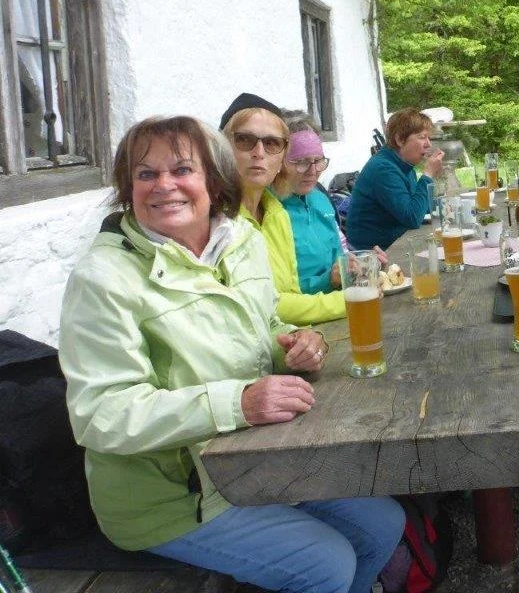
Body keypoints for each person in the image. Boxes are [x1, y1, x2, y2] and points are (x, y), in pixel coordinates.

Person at [59, 116, 404, 593]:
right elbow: (100, 415)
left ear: (214, 180)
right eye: (145, 174)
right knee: (326, 565)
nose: (164, 186)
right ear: (127, 188)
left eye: (182, 170)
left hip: (256, 459)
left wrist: (299, 345)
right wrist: (237, 402)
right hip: (175, 498)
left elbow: (265, 326)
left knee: (382, 522)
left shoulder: (238, 242)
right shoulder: (104, 278)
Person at [220, 93, 346, 324]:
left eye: (271, 143)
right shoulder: (218, 218)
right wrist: (350, 299)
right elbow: (269, 304)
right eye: (244, 140)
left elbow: (288, 292)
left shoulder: (275, 212)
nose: (259, 152)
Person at [274, 111, 386, 295]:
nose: (313, 171)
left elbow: (341, 258)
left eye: (318, 161)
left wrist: (363, 264)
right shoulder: (267, 210)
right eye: (301, 162)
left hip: (343, 303)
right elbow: (276, 295)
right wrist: (327, 280)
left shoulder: (320, 199)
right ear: (278, 161)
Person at [345, 108, 444, 250]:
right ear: (399, 140)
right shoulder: (383, 169)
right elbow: (413, 218)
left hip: (393, 243)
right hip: (369, 254)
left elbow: (420, 206)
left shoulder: (404, 164)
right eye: (422, 137)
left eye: (428, 138)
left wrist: (447, 205)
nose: (428, 144)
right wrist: (428, 174)